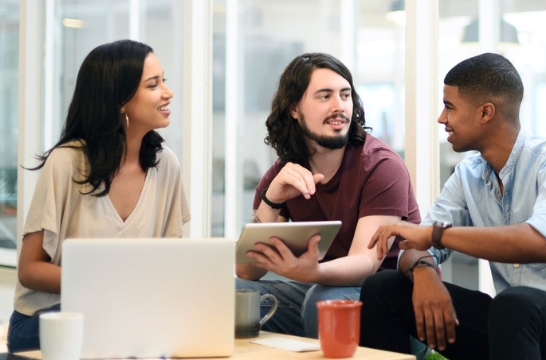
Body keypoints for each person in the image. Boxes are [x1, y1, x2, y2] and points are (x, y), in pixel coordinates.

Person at [360, 53, 546, 360]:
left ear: (486, 112)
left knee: (515, 305)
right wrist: (426, 272)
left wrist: (434, 236)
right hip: (519, 330)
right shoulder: (469, 175)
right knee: (384, 288)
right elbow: (413, 246)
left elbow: (541, 243)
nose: (442, 118)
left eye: (449, 107)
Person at [7, 40, 190, 353]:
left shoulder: (165, 164)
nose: (167, 92)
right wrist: (108, 287)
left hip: (126, 316)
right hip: (51, 318)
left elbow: (168, 263)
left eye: (164, 81)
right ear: (119, 100)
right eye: (153, 84)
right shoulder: (67, 161)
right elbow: (29, 269)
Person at [235, 52, 420, 338]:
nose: (339, 107)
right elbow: (247, 272)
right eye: (325, 96)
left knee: (322, 301)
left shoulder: (380, 165)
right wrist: (272, 200)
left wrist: (311, 272)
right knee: (233, 295)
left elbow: (365, 264)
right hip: (319, 291)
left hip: (386, 300)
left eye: (345, 95)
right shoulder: (284, 172)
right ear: (294, 108)